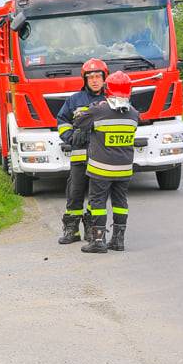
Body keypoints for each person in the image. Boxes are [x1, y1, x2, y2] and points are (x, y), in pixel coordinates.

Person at [73, 71, 139, 254]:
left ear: (107, 89)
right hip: (124, 170)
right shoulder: (133, 113)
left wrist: (90, 108)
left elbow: (78, 122)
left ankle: (98, 241)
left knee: (98, 203)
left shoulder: (99, 110)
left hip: (101, 169)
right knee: (120, 203)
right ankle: (118, 240)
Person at [56, 58, 108, 244]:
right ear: (85, 79)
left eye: (98, 76)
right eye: (90, 77)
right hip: (79, 156)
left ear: (104, 78)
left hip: (102, 158)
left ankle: (92, 230)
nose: (94, 80)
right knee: (75, 192)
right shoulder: (74, 100)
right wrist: (70, 136)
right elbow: (62, 120)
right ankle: (72, 231)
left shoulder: (110, 100)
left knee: (97, 195)